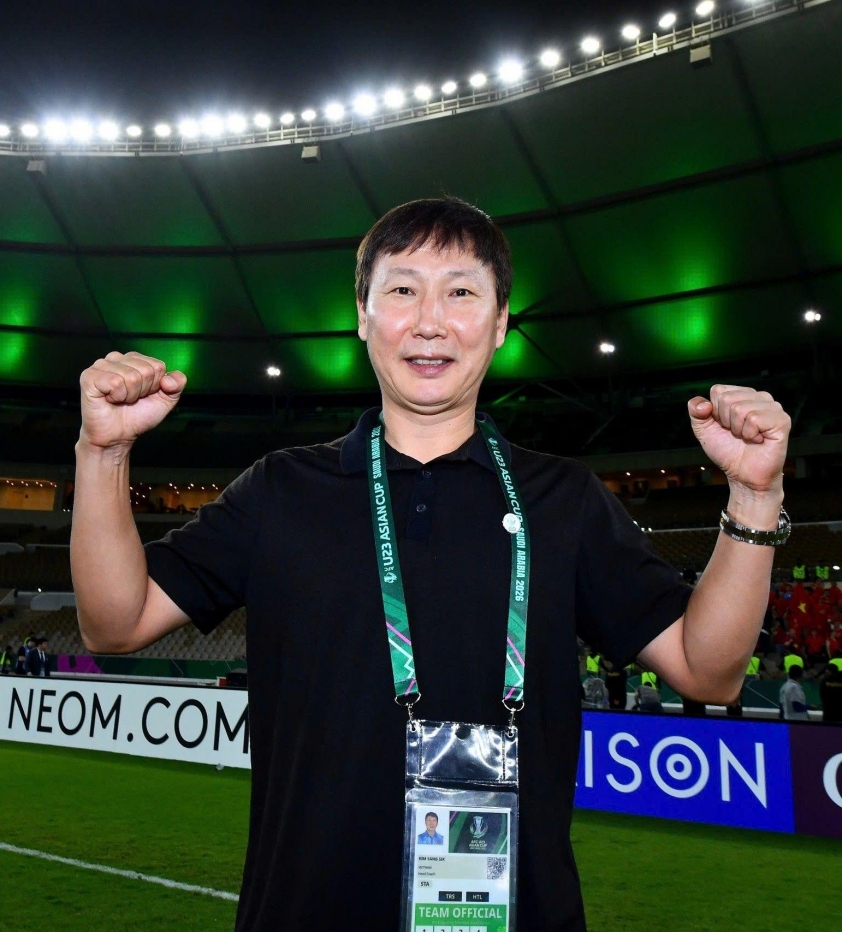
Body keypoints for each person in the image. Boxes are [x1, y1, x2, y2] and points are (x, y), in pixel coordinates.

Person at [71, 197, 793, 932]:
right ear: (362, 315)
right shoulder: (280, 490)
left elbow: (709, 671)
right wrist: (103, 453)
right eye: (402, 289)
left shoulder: (564, 499)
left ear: (500, 322)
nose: (429, 322)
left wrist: (755, 496)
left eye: (461, 292)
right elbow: (113, 623)